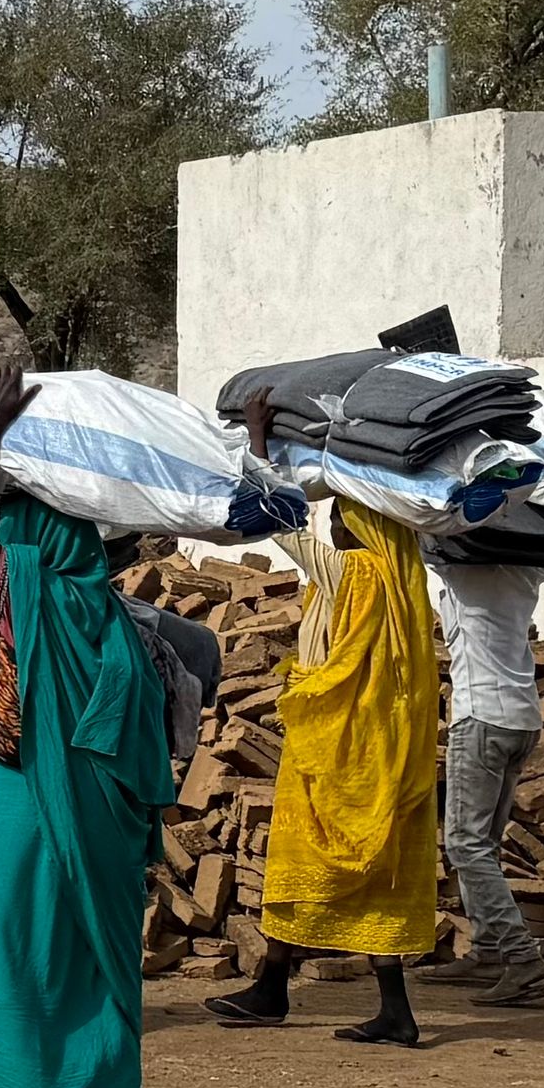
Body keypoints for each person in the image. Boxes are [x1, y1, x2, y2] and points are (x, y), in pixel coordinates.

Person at [0, 367, 183, 1088]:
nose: (10, 541)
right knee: (66, 952)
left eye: (20, 527)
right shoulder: (110, 617)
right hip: (80, 814)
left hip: (29, 805)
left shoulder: (35, 592)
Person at [207, 405, 443, 1045]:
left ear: (365, 526)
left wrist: (258, 442)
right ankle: (342, 1000)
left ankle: (278, 991)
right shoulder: (400, 581)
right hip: (378, 747)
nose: (331, 526)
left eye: (340, 516)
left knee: (299, 861)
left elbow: (282, 524)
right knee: (375, 874)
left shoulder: (358, 572)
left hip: (336, 745)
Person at [420, 555, 544, 1010]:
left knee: (465, 845)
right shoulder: (527, 570)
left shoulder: (468, 570)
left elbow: (428, 532)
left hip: (481, 719)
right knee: (485, 844)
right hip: (521, 719)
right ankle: (488, 950)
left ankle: (520, 955)